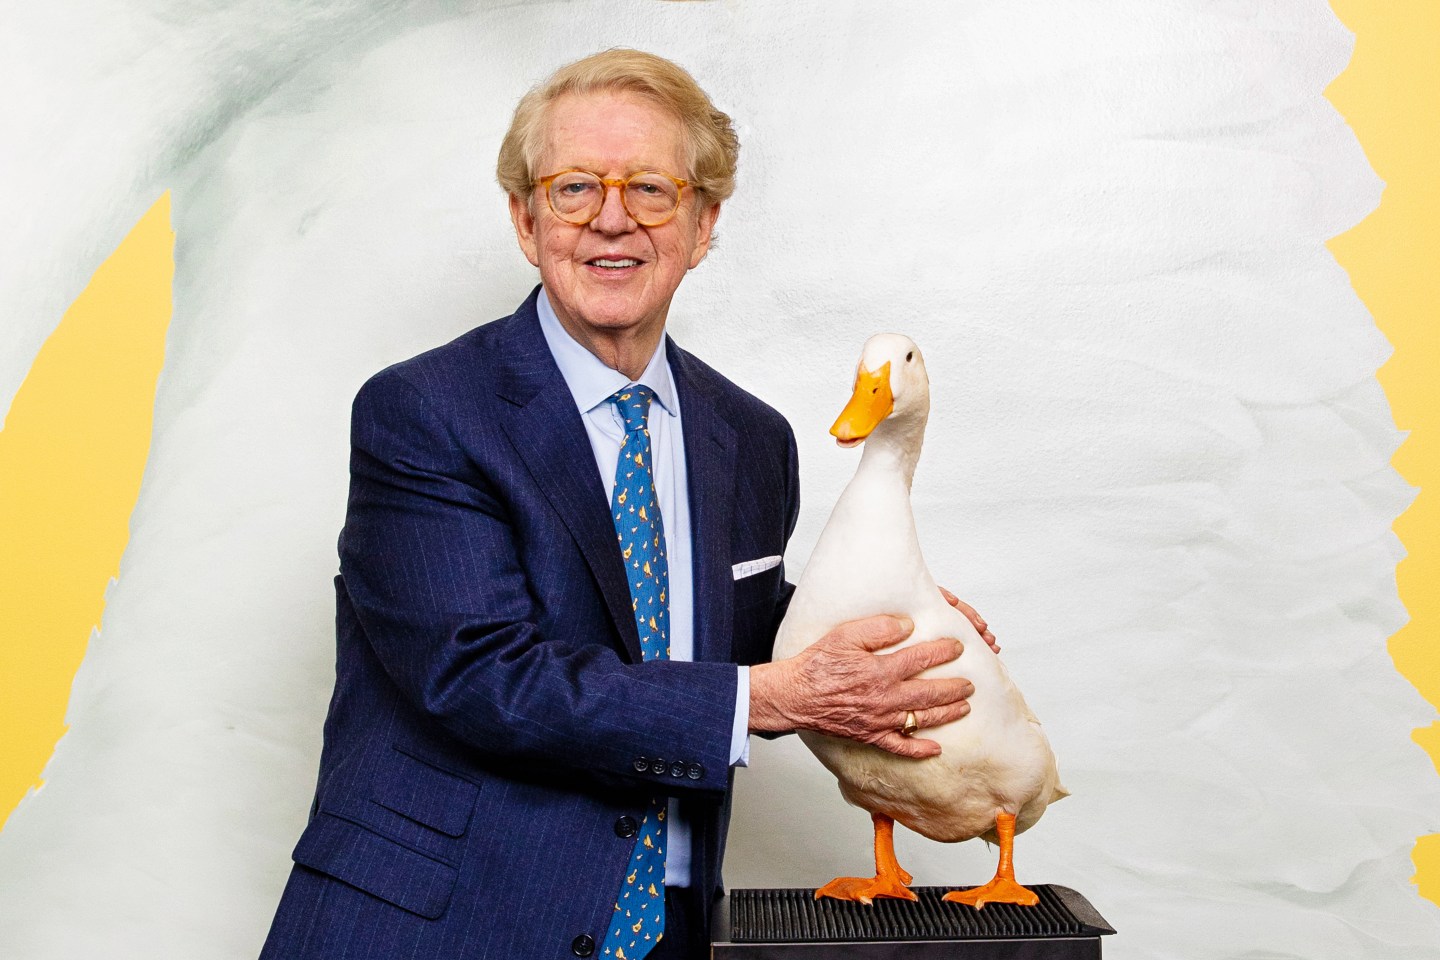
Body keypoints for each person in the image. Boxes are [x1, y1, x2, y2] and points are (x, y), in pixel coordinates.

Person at [260, 48, 991, 960]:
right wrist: (765, 698)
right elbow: (480, 675)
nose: (612, 219)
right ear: (526, 220)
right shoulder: (424, 412)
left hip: (671, 933)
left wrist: (889, 628)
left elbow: (724, 628)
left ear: (703, 223)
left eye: (650, 188)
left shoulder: (752, 438)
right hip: (445, 926)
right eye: (574, 189)